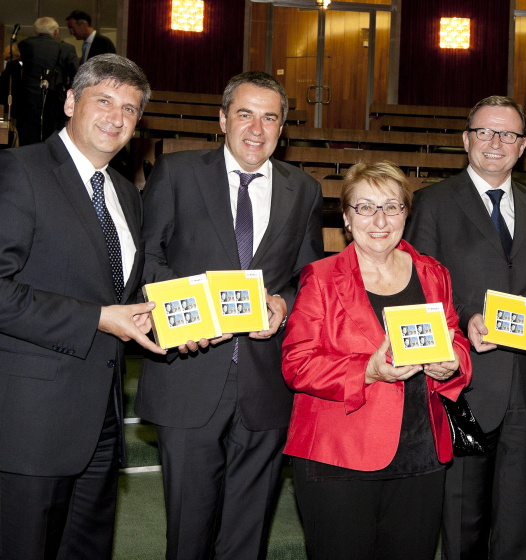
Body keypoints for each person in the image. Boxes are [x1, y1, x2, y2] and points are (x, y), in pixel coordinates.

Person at [137, 70, 323, 559]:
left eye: (270, 118)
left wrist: (284, 304)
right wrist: (181, 317)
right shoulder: (176, 173)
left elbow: (309, 277)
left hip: (265, 381)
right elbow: (147, 260)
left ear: (283, 129)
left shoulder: (303, 188)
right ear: (222, 119)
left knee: (248, 535)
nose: (256, 129)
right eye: (245, 114)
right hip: (190, 373)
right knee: (189, 532)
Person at [0, 53, 162, 559]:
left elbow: (117, 293)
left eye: (131, 110)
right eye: (104, 101)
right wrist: (96, 318)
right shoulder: (17, 170)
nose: (117, 118)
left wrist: (172, 316)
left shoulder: (126, 194)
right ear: (70, 101)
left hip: (102, 420)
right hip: (31, 423)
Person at [282, 161, 472, 560]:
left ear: (406, 213)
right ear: (347, 219)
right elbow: (297, 363)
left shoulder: (433, 273)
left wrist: (452, 363)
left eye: (392, 206)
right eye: (365, 207)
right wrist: (366, 370)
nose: (380, 219)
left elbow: (456, 340)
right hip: (340, 455)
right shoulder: (321, 276)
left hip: (421, 453)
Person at [405, 95, 526, 559]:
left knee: (519, 533)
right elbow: (417, 288)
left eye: (508, 134)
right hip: (463, 386)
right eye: (485, 132)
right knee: (462, 527)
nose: (496, 142)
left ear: (523, 145)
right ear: (466, 139)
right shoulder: (431, 202)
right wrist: (466, 316)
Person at [16, 17, 79, 146]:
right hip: (55, 103)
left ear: (36, 32)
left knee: (28, 143)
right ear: (56, 32)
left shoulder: (24, 45)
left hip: (28, 104)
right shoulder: (67, 48)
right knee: (52, 142)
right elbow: (77, 77)